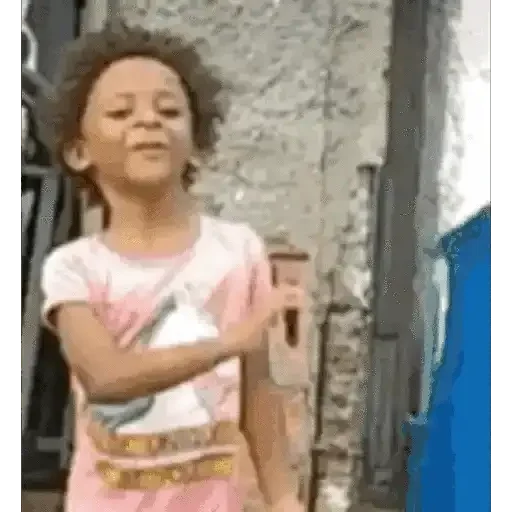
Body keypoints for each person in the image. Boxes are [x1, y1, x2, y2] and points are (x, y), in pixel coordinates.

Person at [37, 19, 304, 512]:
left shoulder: (239, 250)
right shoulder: (73, 267)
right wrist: (228, 343)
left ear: (197, 141)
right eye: (121, 111)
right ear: (79, 151)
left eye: (169, 110)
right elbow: (104, 377)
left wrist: (285, 499)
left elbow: (258, 396)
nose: (148, 121)